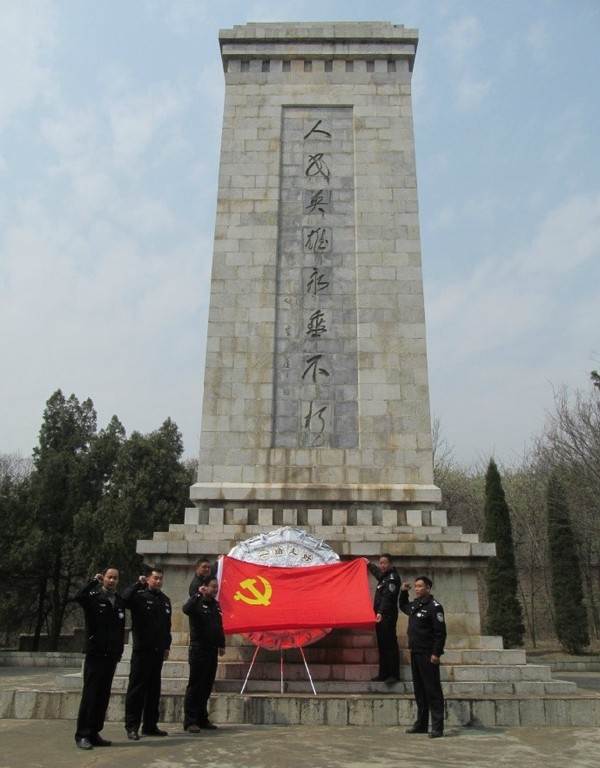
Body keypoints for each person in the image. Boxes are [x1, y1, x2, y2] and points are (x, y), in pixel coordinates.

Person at [72, 567, 126, 750]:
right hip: (95, 654)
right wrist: (93, 581)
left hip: (110, 655)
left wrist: (118, 651)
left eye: (115, 578)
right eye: (109, 577)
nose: (112, 581)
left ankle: (94, 732)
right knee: (90, 695)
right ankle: (82, 734)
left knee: (102, 696)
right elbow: (78, 596)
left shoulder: (118, 601)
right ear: (104, 578)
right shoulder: (94, 598)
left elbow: (119, 629)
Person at [122, 565, 172, 740]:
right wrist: (137, 584)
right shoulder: (139, 597)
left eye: (160, 578)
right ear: (148, 579)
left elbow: (167, 626)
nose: (158, 581)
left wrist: (167, 646)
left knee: (153, 690)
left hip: (158, 651)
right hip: (142, 651)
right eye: (155, 578)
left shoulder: (165, 600)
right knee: (137, 689)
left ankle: (150, 725)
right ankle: (132, 726)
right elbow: (124, 600)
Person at [399, 575, 447, 738]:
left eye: (420, 586)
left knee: (432, 690)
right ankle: (421, 724)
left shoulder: (435, 607)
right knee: (420, 691)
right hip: (415, 652)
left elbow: (440, 633)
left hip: (428, 654)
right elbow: (403, 606)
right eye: (416, 586)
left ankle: (438, 727)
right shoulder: (415, 605)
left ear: (428, 588)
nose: (417, 589)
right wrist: (403, 592)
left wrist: (436, 653)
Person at [182, 574, 226, 732]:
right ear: (204, 586)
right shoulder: (196, 602)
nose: (215, 589)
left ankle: (202, 718)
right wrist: (197, 594)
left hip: (212, 650)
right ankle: (190, 720)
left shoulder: (215, 605)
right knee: (195, 685)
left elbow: (218, 625)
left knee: (206, 685)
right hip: (198, 649)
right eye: (212, 586)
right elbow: (186, 610)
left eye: (216, 587)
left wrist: (222, 644)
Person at [367, 554, 401, 683]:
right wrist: (369, 564)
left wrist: (381, 612)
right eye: (381, 563)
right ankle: (383, 674)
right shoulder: (385, 577)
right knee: (382, 646)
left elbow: (388, 598)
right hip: (380, 617)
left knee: (389, 645)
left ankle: (393, 675)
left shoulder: (392, 578)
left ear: (391, 563)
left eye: (385, 563)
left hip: (387, 616)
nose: (382, 565)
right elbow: (378, 574)